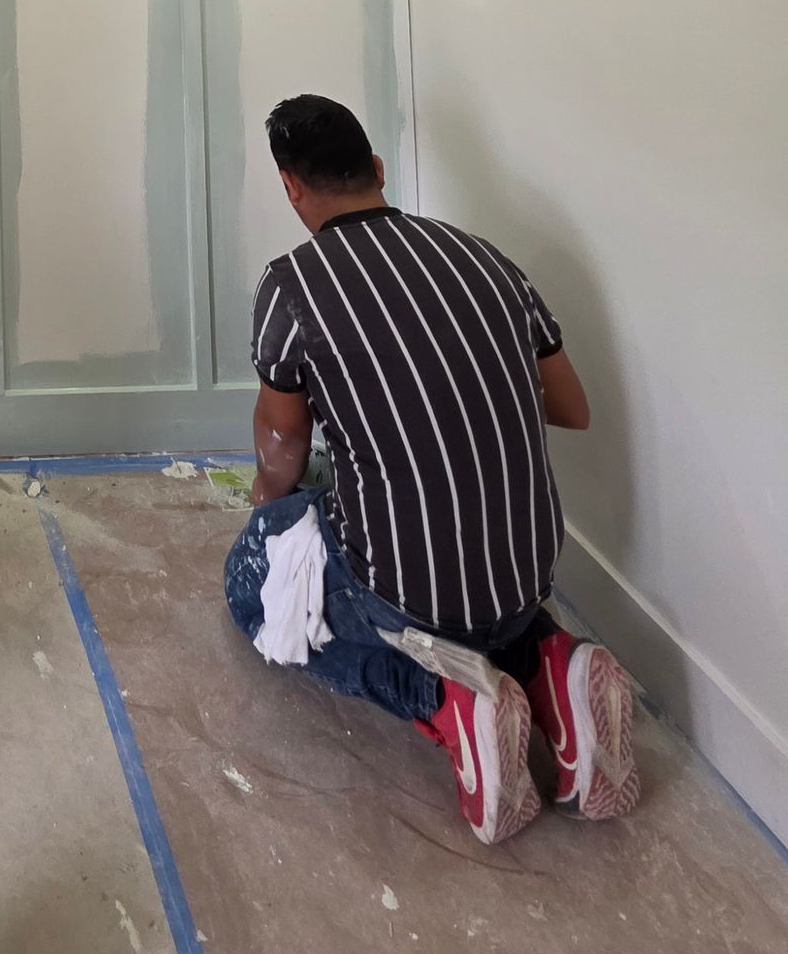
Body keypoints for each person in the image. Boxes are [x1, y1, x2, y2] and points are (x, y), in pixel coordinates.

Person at [223, 94, 640, 847]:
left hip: (411, 594)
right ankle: (550, 665)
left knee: (256, 581)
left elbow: (283, 443)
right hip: (527, 575)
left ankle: (446, 701)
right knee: (475, 595)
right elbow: (572, 407)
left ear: (291, 188)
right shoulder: (487, 259)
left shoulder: (293, 285)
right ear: (378, 170)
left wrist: (265, 500)